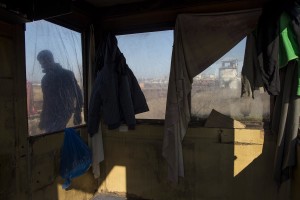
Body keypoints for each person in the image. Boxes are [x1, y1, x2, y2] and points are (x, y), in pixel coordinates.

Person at [37, 50, 83, 133]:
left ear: (50, 59)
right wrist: (43, 118)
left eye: (43, 63)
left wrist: (78, 112)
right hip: (51, 115)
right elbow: (46, 101)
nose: (42, 66)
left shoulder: (67, 75)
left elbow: (78, 94)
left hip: (63, 114)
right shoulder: (45, 80)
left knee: (56, 137)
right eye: (41, 64)